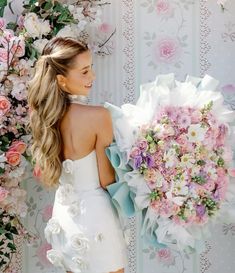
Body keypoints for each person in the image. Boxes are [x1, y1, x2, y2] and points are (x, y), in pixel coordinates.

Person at [28, 37, 127, 273]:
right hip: (96, 218)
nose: (92, 77)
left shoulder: (43, 119)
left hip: (64, 220)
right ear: (62, 80)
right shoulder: (98, 116)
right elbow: (106, 180)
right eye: (84, 71)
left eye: (91, 68)